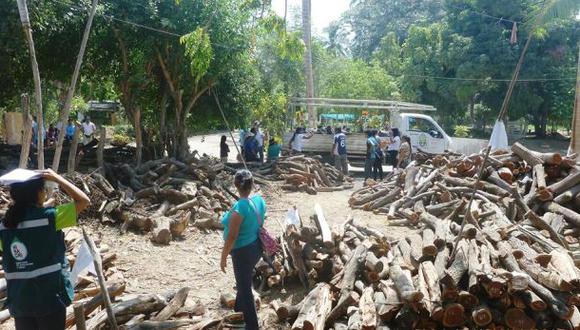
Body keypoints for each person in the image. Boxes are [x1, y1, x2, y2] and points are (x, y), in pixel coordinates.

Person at [0, 168, 90, 330]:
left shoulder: (5, 226)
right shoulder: (51, 217)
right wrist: (57, 178)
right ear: (38, 193)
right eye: (44, 188)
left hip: (21, 301)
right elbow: (83, 201)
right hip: (49, 298)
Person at [220, 170, 266, 330]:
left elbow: (231, 237)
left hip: (242, 252)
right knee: (243, 280)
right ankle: (238, 311)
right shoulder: (259, 200)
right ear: (252, 184)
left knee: (245, 288)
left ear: (235, 185)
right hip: (256, 247)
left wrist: (223, 257)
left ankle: (252, 326)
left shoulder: (240, 208)